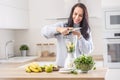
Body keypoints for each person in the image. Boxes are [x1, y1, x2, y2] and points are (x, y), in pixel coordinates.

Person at [41, 3, 93, 67]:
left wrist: (79, 36)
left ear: (84, 17)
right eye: (75, 14)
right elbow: (44, 31)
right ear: (72, 14)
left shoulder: (86, 30)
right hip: (61, 67)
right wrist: (59, 29)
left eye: (80, 15)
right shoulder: (63, 25)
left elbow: (87, 51)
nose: (77, 17)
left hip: (77, 68)